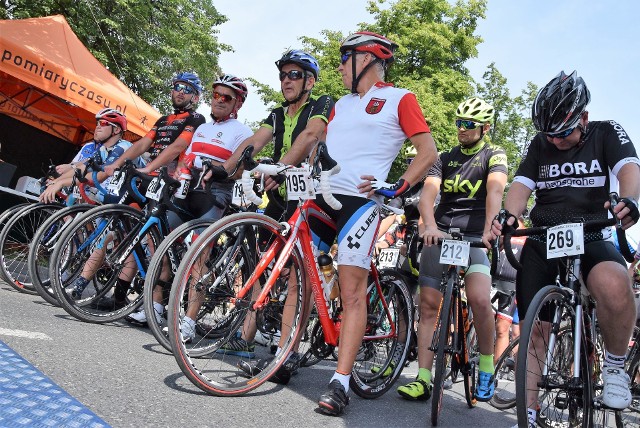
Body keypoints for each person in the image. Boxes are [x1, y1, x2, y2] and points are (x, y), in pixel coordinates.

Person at [490, 71, 640, 427]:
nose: (555, 140)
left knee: (616, 285)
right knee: (534, 329)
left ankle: (616, 367)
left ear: (583, 118)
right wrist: (509, 216)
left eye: (563, 133)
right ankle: (527, 411)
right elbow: (521, 186)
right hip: (545, 233)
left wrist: (631, 200)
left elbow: (629, 170)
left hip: (592, 230)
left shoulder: (606, 132)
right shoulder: (541, 143)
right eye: (549, 134)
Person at [309, 31, 437, 416]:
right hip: (323, 194)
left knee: (352, 292)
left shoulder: (400, 98)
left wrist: (399, 184)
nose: (337, 67)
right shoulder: (341, 104)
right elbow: (324, 145)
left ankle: (341, 382)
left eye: (342, 58)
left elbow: (427, 151)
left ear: (363, 59)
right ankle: (284, 352)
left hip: (361, 204)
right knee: (301, 273)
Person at [215, 50, 334, 362]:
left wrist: (281, 167)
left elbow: (311, 135)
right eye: (284, 75)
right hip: (281, 194)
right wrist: (226, 168)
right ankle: (246, 338)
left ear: (309, 80)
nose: (286, 80)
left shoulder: (322, 104)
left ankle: (288, 349)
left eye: (294, 75)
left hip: (313, 195)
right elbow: (255, 140)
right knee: (262, 265)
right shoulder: (278, 113)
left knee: (300, 277)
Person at [395, 97, 507, 404]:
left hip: (474, 237)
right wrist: (428, 224)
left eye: (469, 125)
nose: (462, 129)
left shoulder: (494, 154)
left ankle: (486, 368)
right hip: (442, 233)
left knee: (481, 300)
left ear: (484, 127)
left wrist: (489, 227)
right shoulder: (444, 157)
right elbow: (427, 194)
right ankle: (423, 378)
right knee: (429, 305)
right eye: (459, 122)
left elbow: (495, 190)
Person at [127, 74, 254, 331]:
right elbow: (188, 157)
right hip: (187, 188)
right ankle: (157, 307)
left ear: (237, 103)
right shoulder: (203, 127)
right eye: (215, 95)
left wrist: (217, 168)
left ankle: (189, 322)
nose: (218, 100)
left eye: (226, 97)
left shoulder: (243, 132)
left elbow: (241, 171)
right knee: (162, 243)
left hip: (215, 192)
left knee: (199, 256)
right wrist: (180, 172)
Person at [104, 71, 206, 178]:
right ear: (172, 91)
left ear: (195, 98)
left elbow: (178, 147)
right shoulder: (163, 119)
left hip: (172, 177)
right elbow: (142, 144)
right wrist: (116, 164)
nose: (181, 92)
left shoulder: (196, 118)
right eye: (178, 87)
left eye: (187, 89)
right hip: (149, 173)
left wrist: (148, 168)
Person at [40, 108, 137, 204]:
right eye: (97, 123)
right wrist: (55, 181)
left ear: (116, 129)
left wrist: (61, 183)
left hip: (136, 193)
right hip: (117, 191)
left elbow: (99, 177)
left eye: (103, 123)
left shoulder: (123, 147)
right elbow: (84, 167)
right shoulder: (103, 149)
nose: (98, 127)